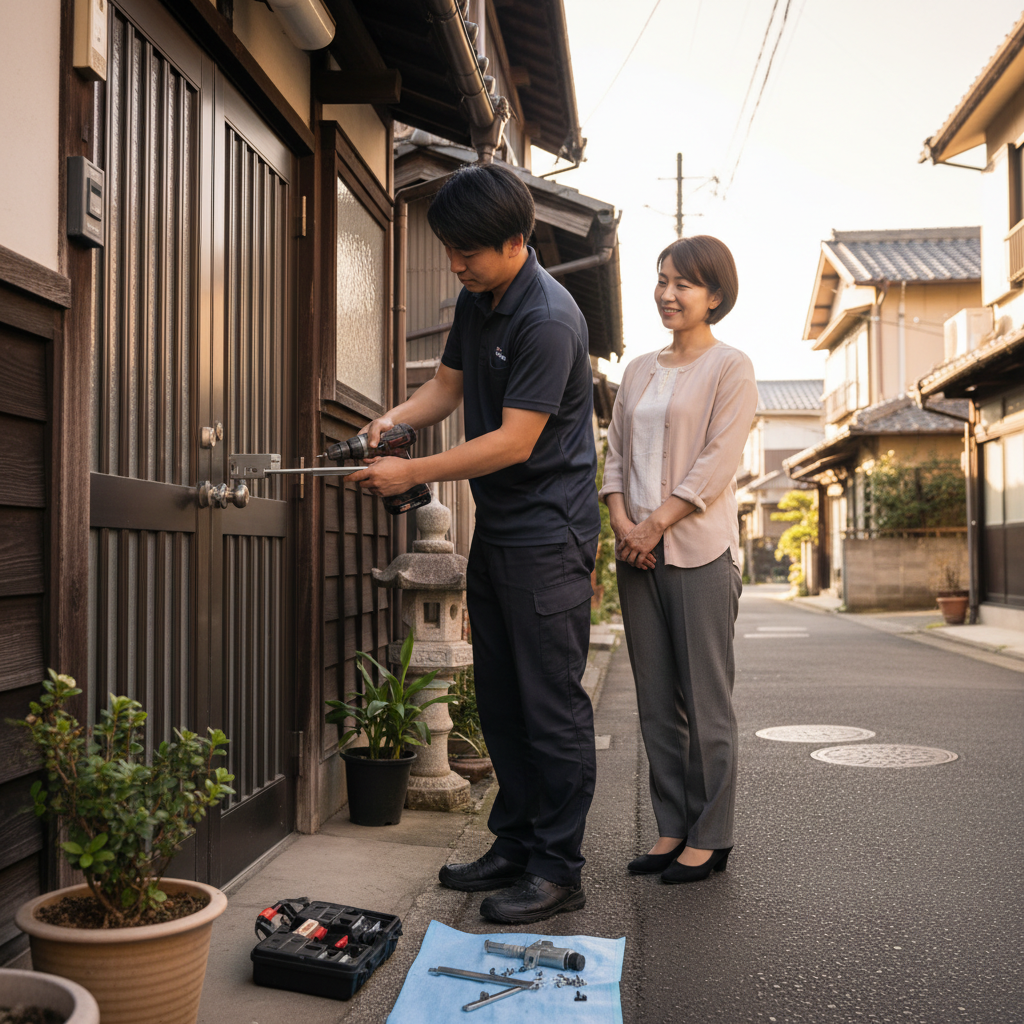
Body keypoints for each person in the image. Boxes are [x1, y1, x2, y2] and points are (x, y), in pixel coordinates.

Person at [350, 163, 599, 923]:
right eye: (450, 249)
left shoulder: (548, 319)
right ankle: (515, 845)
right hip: (501, 530)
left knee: (548, 705)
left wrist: (411, 470)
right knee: (499, 696)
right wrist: (390, 421)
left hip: (549, 534)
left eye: (468, 252)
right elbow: (446, 390)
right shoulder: (477, 299)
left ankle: (559, 869)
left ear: (515, 241)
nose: (455, 263)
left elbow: (515, 441)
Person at [599, 235, 757, 884]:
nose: (667, 293)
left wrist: (655, 524)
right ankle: (671, 827)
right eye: (661, 280)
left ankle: (711, 836)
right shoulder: (637, 370)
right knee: (656, 700)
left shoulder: (730, 367)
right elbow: (612, 454)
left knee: (707, 702)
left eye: (683, 284)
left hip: (699, 553)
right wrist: (622, 526)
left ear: (714, 296)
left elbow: (717, 462)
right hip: (637, 554)